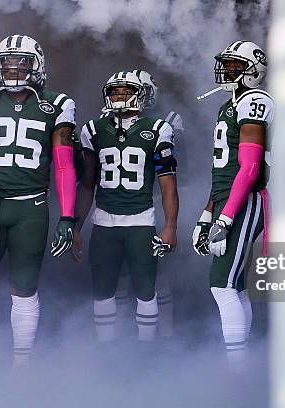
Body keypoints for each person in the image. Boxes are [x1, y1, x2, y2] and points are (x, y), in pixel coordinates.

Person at [0, 34, 77, 370]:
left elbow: (64, 163)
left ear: (37, 64)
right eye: (6, 61)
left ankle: (22, 370)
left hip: (30, 208)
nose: (12, 67)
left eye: (20, 60)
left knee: (24, 287)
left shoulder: (58, 103)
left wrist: (67, 217)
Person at [73, 71, 179, 343]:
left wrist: (170, 226)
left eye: (126, 91)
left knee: (146, 290)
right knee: (102, 290)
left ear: (140, 94)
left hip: (141, 223)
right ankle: (106, 349)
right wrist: (75, 226)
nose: (119, 97)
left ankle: (147, 350)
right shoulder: (93, 129)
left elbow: (167, 182)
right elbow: (87, 184)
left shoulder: (157, 129)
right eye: (115, 92)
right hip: (104, 223)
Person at [193, 41, 273, 372]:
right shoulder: (229, 105)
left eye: (235, 66)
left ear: (252, 71)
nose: (226, 71)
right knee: (235, 285)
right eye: (226, 64)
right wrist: (207, 214)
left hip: (246, 199)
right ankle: (242, 361)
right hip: (228, 198)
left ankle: (236, 370)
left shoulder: (255, 101)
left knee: (221, 283)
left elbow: (250, 168)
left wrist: (225, 219)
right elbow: (222, 171)